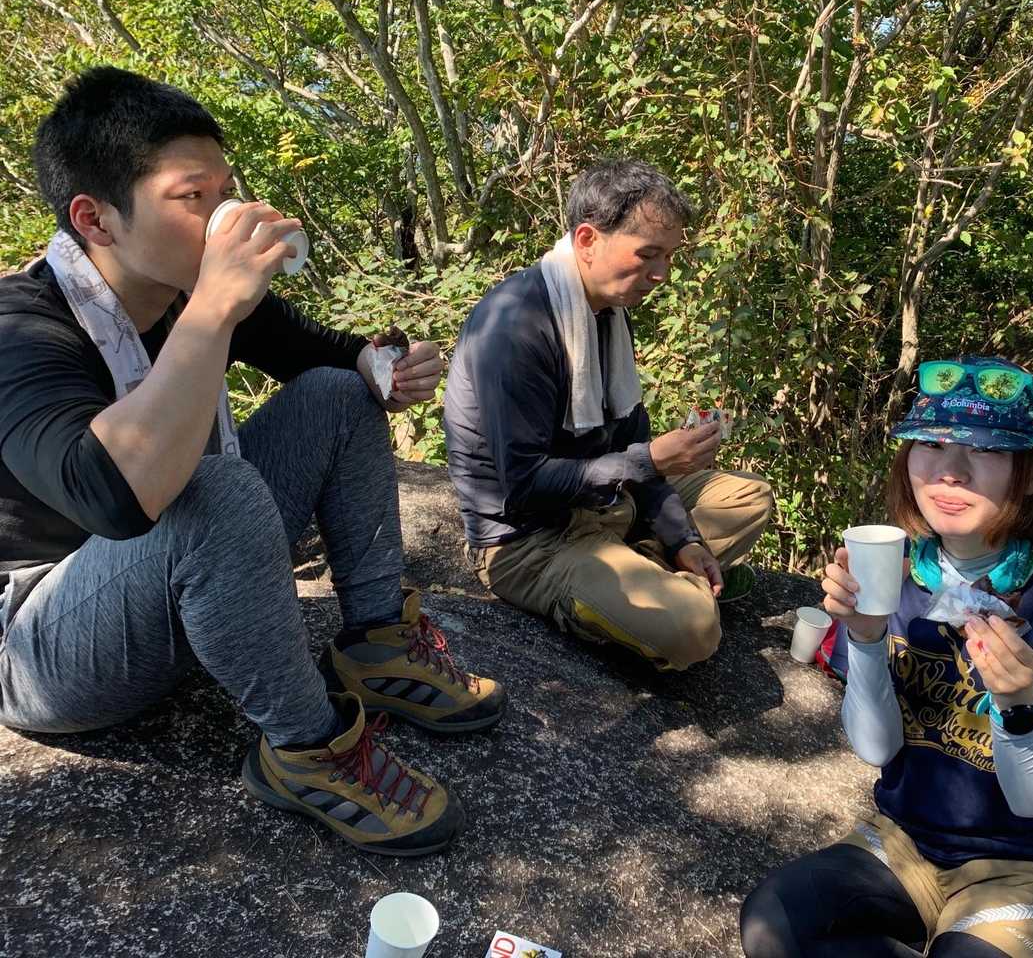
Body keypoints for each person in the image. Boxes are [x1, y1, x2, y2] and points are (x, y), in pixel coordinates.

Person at [0, 66, 505, 857]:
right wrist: (213, 308)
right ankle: (307, 749)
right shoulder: (22, 330)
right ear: (94, 219)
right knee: (214, 491)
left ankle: (377, 642)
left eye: (227, 193)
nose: (227, 218)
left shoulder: (180, 287)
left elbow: (320, 354)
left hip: (162, 578)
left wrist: (383, 366)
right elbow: (109, 496)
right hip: (43, 639)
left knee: (337, 395)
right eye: (193, 197)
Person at [740, 357, 1033, 957]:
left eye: (987, 451)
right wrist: (866, 638)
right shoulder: (889, 573)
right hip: (903, 846)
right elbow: (876, 750)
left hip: (1032, 868)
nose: (951, 472)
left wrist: (1016, 701)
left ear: (1028, 475)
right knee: (773, 925)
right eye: (932, 444)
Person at [444, 160, 774, 671]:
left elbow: (632, 440)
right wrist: (649, 462)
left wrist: (683, 539)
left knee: (749, 495)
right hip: (532, 538)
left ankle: (643, 569)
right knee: (692, 628)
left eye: (668, 256)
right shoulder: (515, 325)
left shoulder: (608, 314)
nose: (661, 274)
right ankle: (640, 589)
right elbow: (522, 487)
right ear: (587, 240)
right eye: (648, 254)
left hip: (608, 505)